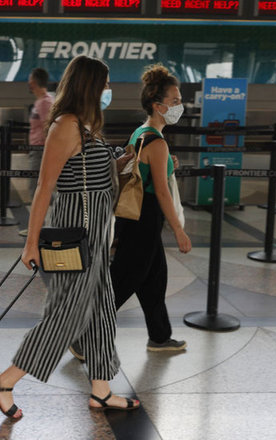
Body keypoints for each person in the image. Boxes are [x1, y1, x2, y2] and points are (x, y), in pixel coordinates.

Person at [0, 55, 139, 420]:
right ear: (89, 85)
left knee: (101, 310)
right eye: (104, 84)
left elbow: (90, 175)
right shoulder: (66, 125)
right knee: (68, 314)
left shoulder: (86, 126)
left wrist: (119, 164)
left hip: (95, 236)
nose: (108, 90)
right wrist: (31, 243)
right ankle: (5, 381)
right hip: (74, 235)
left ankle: (101, 390)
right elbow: (45, 187)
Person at [110, 64, 192, 352]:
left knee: (155, 279)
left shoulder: (142, 132)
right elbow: (161, 191)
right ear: (158, 106)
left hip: (135, 216)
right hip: (144, 218)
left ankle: (159, 336)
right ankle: (83, 337)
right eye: (175, 101)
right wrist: (179, 230)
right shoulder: (157, 143)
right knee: (122, 281)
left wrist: (168, 164)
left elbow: (140, 170)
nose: (180, 105)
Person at [19, 67, 55, 237]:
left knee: (36, 189)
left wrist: (48, 152)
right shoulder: (41, 101)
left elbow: (50, 128)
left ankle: (38, 229)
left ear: (33, 82)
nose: (28, 83)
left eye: (30, 80)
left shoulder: (45, 102)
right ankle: (39, 227)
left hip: (41, 151)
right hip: (37, 150)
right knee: (39, 188)